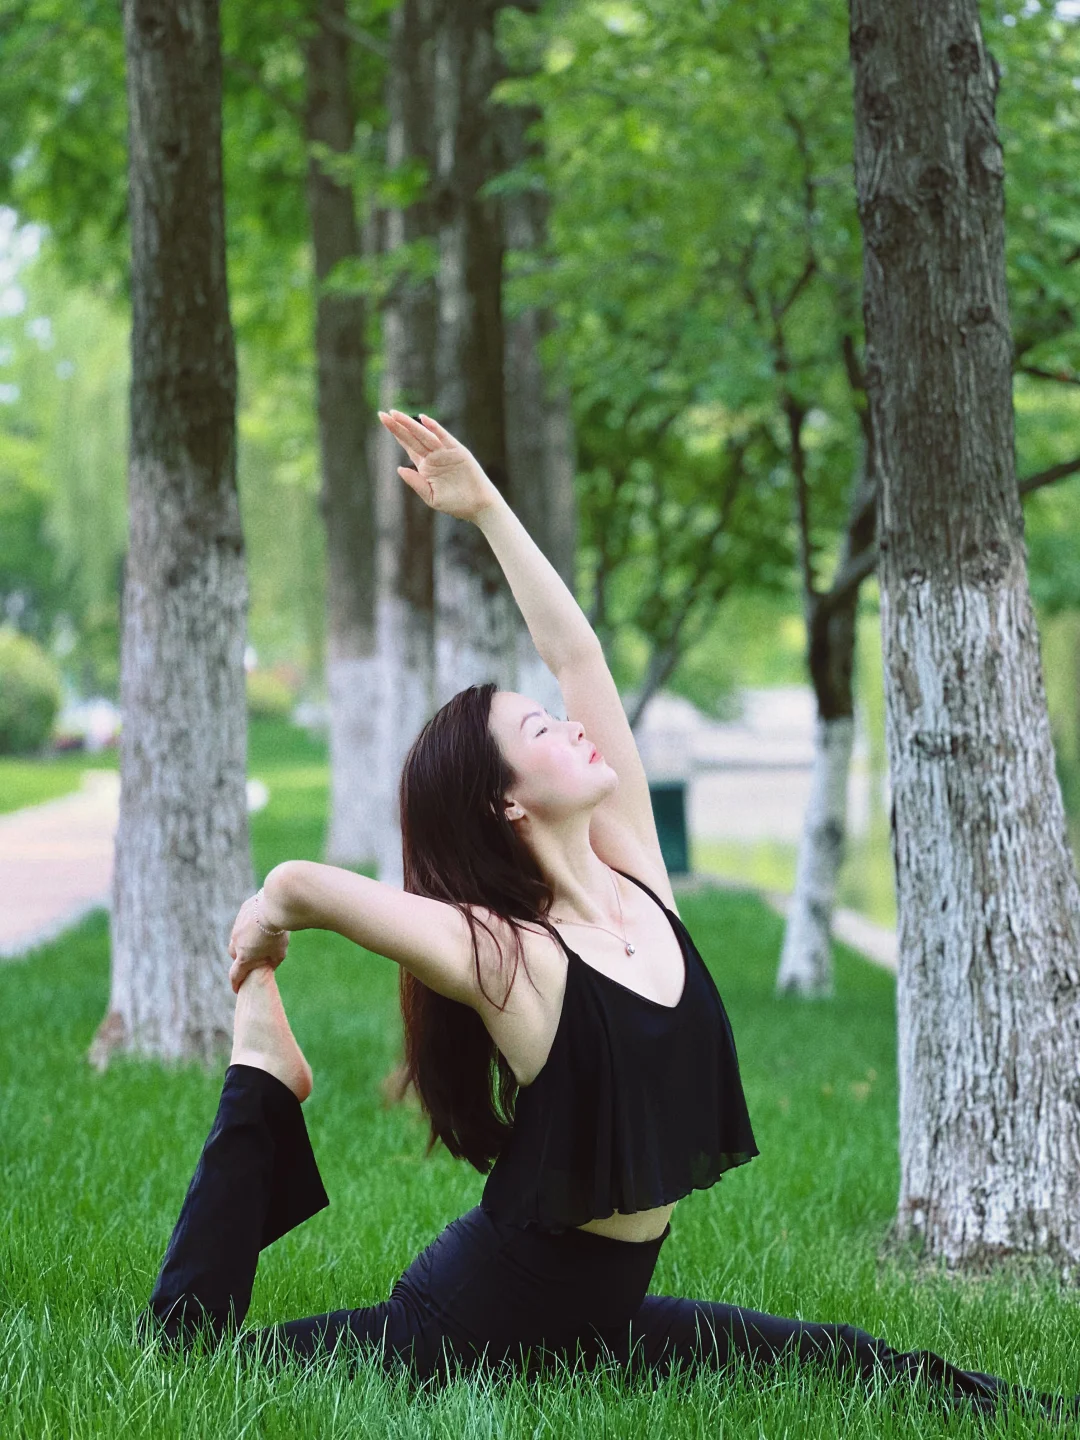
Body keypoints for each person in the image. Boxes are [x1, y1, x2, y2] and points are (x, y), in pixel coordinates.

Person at [140, 411, 1077, 1422]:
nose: (576, 725)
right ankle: (262, 1073)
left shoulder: (635, 879)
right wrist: (267, 924)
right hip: (470, 1326)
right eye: (541, 730)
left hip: (600, 1323)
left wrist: (487, 505)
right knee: (195, 1354)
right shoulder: (511, 959)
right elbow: (305, 881)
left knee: (850, 1360)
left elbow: (576, 652)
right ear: (507, 804)